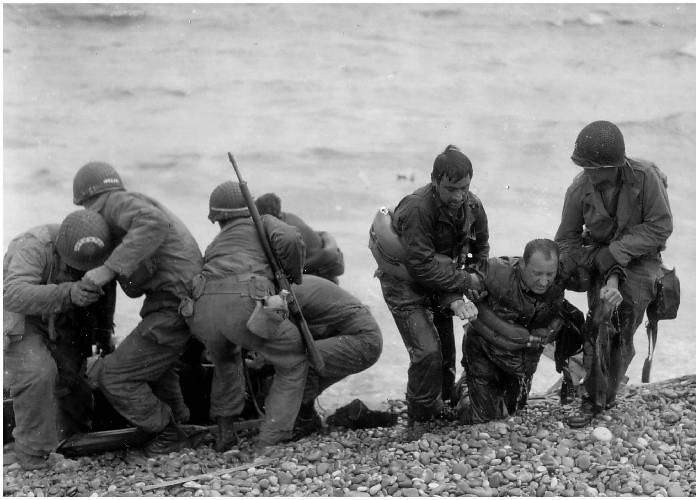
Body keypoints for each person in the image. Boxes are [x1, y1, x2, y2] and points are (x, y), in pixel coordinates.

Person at [72, 161, 203, 454]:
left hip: (175, 304)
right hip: (177, 301)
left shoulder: (117, 203)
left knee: (113, 375)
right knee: (158, 367)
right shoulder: (128, 206)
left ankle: (167, 433)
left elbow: (152, 224)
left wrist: (106, 270)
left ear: (86, 200)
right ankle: (180, 422)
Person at [555, 120, 673, 425]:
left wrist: (616, 255)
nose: (589, 174)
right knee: (550, 280)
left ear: (617, 166)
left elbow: (661, 227)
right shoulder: (579, 188)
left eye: (596, 168)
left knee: (617, 317)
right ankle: (563, 355)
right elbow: (565, 242)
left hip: (640, 260)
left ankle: (596, 398)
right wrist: (594, 259)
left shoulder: (645, 179)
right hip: (597, 256)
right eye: (585, 167)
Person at [370, 144, 489, 439]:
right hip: (405, 285)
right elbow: (421, 267)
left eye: (464, 187)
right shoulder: (416, 209)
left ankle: (443, 403)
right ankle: (419, 418)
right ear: (435, 181)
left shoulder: (472, 207)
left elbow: (480, 248)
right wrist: (464, 284)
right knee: (426, 352)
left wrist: (476, 276)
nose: (458, 195)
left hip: (444, 282)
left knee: (446, 354)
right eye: (451, 189)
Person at [186, 181, 308, 454]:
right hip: (243, 303)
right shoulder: (262, 222)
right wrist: (292, 276)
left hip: (202, 309)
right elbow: (290, 238)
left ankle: (225, 434)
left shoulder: (216, 243)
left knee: (226, 362)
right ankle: (271, 441)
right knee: (293, 357)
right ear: (248, 207)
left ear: (217, 218)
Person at [4, 210, 116, 470]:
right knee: (37, 372)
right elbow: (13, 294)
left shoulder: (101, 251)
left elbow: (107, 290)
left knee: (72, 382)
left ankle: (73, 441)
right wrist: (69, 292)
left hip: (62, 318)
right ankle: (34, 456)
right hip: (23, 319)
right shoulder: (33, 246)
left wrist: (102, 335)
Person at [453, 239, 581, 424]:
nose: (544, 281)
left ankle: (475, 388)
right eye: (537, 273)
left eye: (549, 274)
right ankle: (464, 388)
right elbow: (460, 279)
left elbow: (592, 268)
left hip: (521, 360)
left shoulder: (560, 279)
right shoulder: (497, 271)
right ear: (522, 264)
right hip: (484, 351)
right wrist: (464, 297)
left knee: (512, 410)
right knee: (482, 417)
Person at [285, 274, 383, 439]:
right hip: (359, 336)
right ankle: (303, 415)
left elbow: (285, 346)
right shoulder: (290, 286)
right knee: (298, 367)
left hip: (363, 340)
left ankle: (305, 418)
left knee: (299, 361)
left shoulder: (285, 296)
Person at [255, 192, 345, 283]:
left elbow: (290, 267)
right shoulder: (289, 217)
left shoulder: (282, 231)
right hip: (326, 264)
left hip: (321, 269)